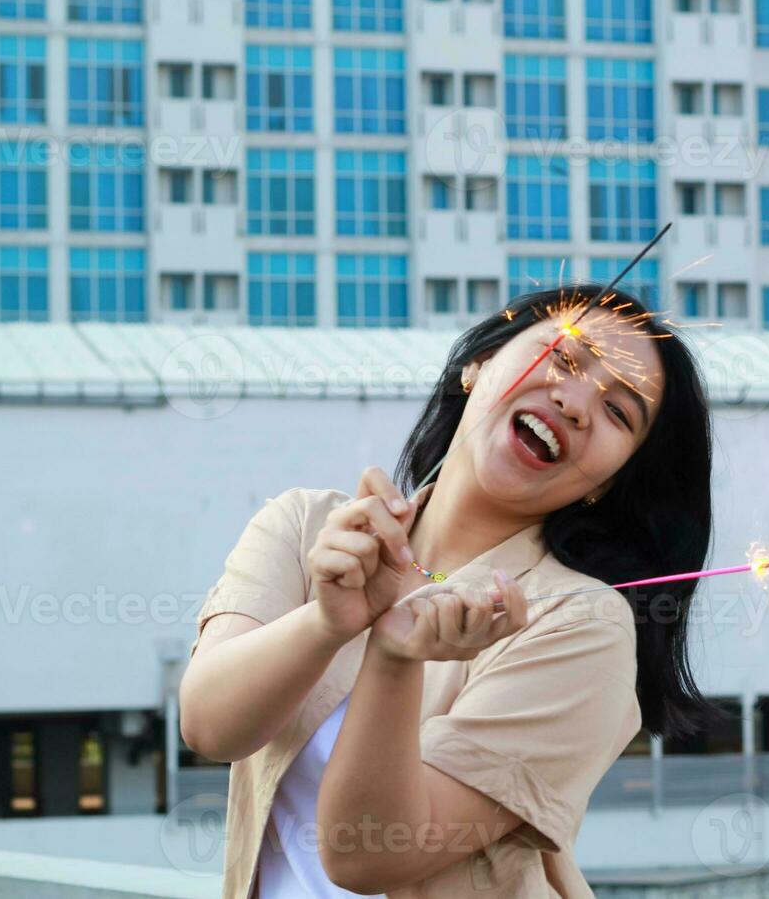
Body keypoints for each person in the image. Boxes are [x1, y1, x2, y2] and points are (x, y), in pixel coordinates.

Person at [180, 285, 722, 898]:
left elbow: (367, 855)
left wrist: (395, 658)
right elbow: (209, 729)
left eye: (620, 413)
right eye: (567, 357)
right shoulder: (307, 529)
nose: (576, 403)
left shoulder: (582, 623)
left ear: (608, 483)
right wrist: (327, 622)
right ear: (478, 365)